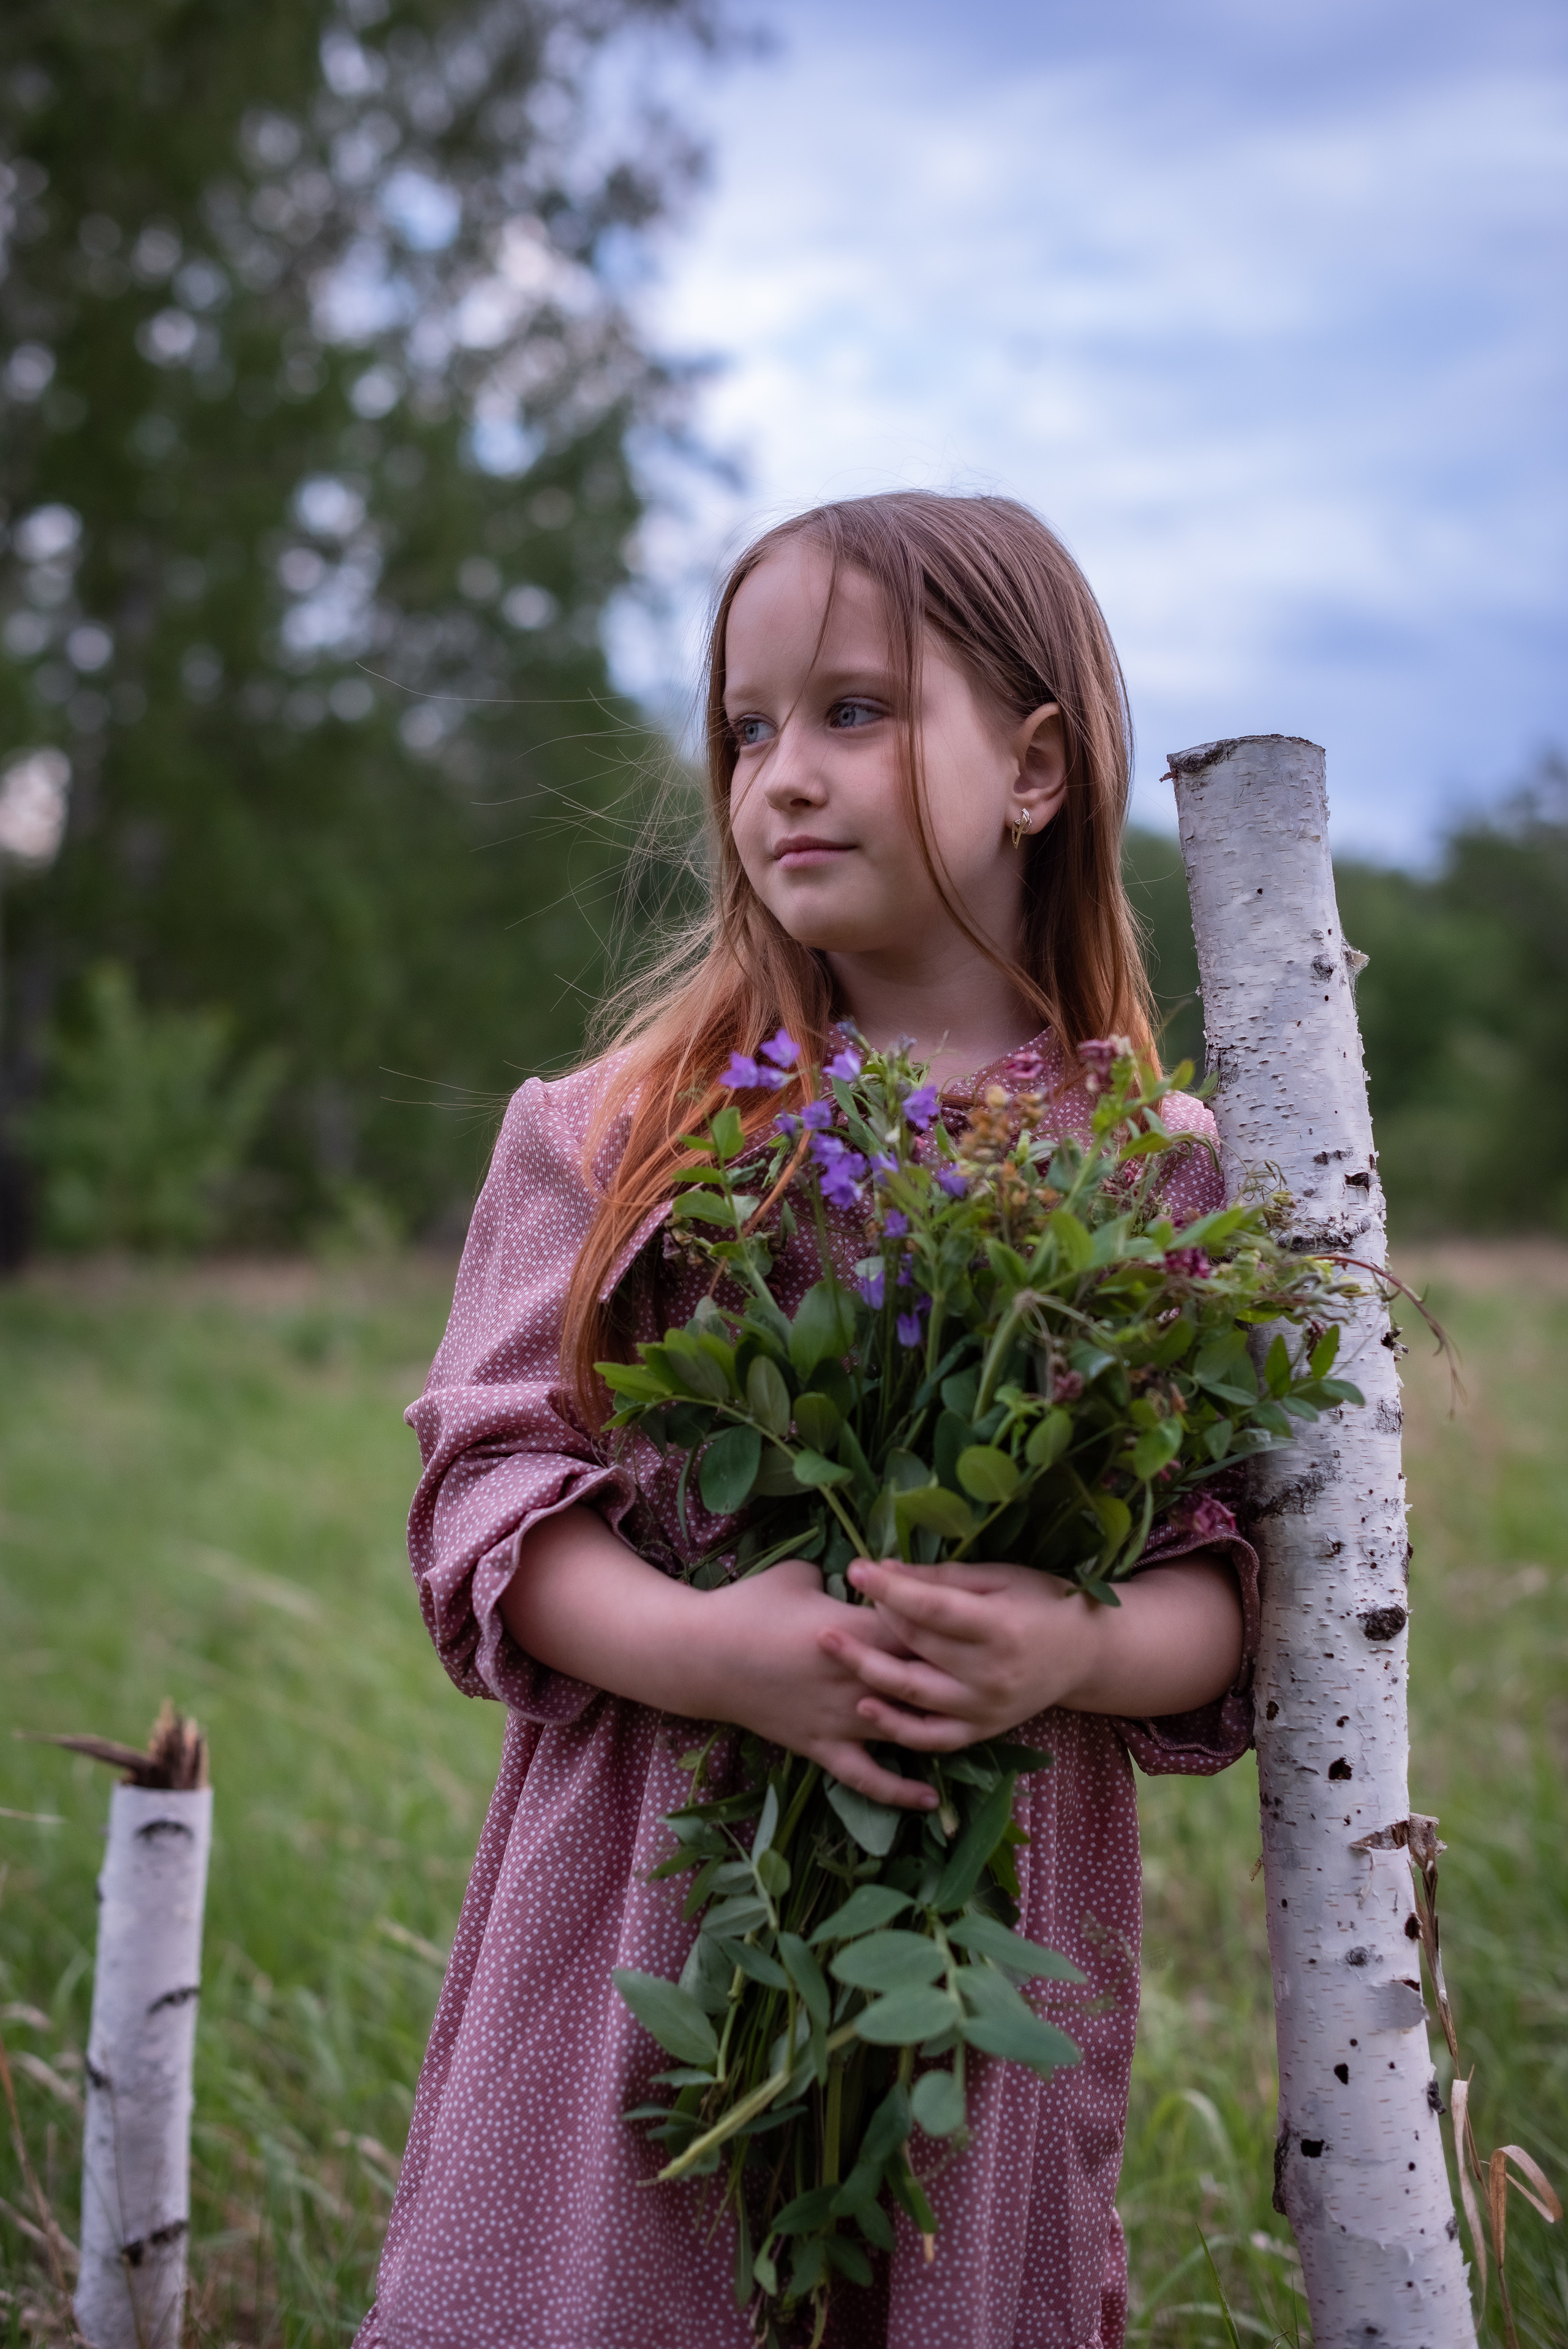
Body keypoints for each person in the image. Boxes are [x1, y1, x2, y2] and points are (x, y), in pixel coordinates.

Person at [355, 492, 1258, 2349]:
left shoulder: (1155, 1175)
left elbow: (1231, 1600)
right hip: (651, 1917)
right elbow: (491, 1495)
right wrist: (706, 1646)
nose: (783, 774)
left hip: (966, 1959)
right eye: (749, 729)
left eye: (854, 711)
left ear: (1032, 769)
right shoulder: (630, 1131)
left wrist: (1070, 1645)